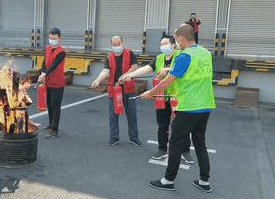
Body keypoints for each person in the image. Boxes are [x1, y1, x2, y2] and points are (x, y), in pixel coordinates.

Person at [142, 24, 215, 193]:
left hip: (188, 106)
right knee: (199, 142)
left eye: (176, 40)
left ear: (181, 38)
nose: (175, 43)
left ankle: (168, 180)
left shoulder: (184, 56)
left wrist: (151, 93)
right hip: (205, 105)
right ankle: (205, 181)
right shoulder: (205, 53)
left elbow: (169, 80)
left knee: (174, 143)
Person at [119, 35, 194, 163]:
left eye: (165, 43)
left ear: (173, 45)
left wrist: (167, 69)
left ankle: (185, 151)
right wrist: (129, 75)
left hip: (179, 97)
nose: (163, 46)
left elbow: (188, 69)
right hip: (161, 97)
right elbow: (146, 69)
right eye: (161, 44)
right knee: (162, 125)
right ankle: (162, 149)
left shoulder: (182, 55)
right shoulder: (159, 58)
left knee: (181, 125)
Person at [91, 36, 143, 147]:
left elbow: (134, 67)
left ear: (122, 43)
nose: (117, 46)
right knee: (113, 116)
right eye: (114, 45)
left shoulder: (129, 53)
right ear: (111, 45)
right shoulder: (109, 57)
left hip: (128, 89)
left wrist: (124, 76)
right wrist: (98, 79)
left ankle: (134, 138)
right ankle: (114, 137)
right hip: (114, 90)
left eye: (118, 44)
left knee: (132, 115)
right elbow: (106, 71)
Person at [38, 28, 66, 139]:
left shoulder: (61, 52)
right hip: (48, 82)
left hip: (58, 84)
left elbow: (53, 65)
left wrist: (44, 74)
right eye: (50, 38)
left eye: (54, 38)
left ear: (59, 38)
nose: (51, 40)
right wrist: (42, 72)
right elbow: (44, 63)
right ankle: (50, 124)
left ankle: (55, 129)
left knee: (55, 106)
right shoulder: (48, 48)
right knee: (49, 104)